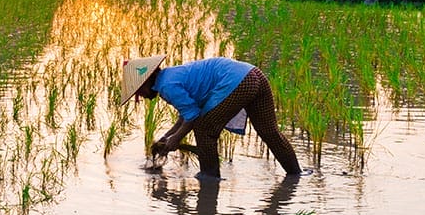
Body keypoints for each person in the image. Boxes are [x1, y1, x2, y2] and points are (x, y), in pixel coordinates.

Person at [121, 55, 301, 179]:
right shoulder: (170, 76)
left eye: (139, 92)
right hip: (254, 75)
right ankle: (295, 175)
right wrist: (166, 137)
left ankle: (209, 178)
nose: (141, 96)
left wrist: (176, 139)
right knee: (270, 132)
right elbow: (185, 116)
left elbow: (192, 117)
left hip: (237, 82)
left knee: (204, 130)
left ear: (146, 82)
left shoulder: (167, 87)